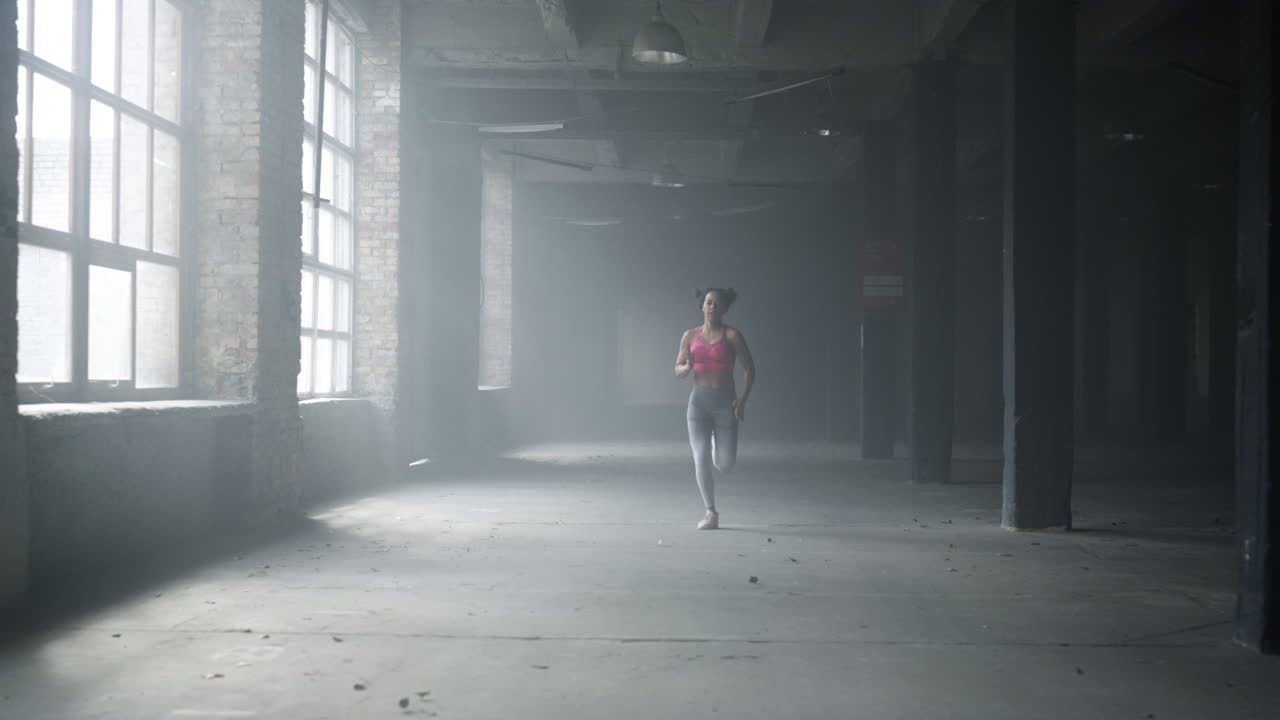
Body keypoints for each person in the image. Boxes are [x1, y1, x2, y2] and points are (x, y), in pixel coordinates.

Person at [674, 287, 755, 530]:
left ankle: (713, 443)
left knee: (725, 465)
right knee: (699, 458)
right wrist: (686, 369)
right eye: (708, 303)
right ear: (702, 306)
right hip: (698, 405)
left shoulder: (732, 336)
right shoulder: (689, 336)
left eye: (717, 304)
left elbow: (750, 369)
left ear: (725, 309)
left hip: (725, 405)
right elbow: (677, 369)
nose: (712, 307)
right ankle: (710, 512)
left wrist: (742, 400)